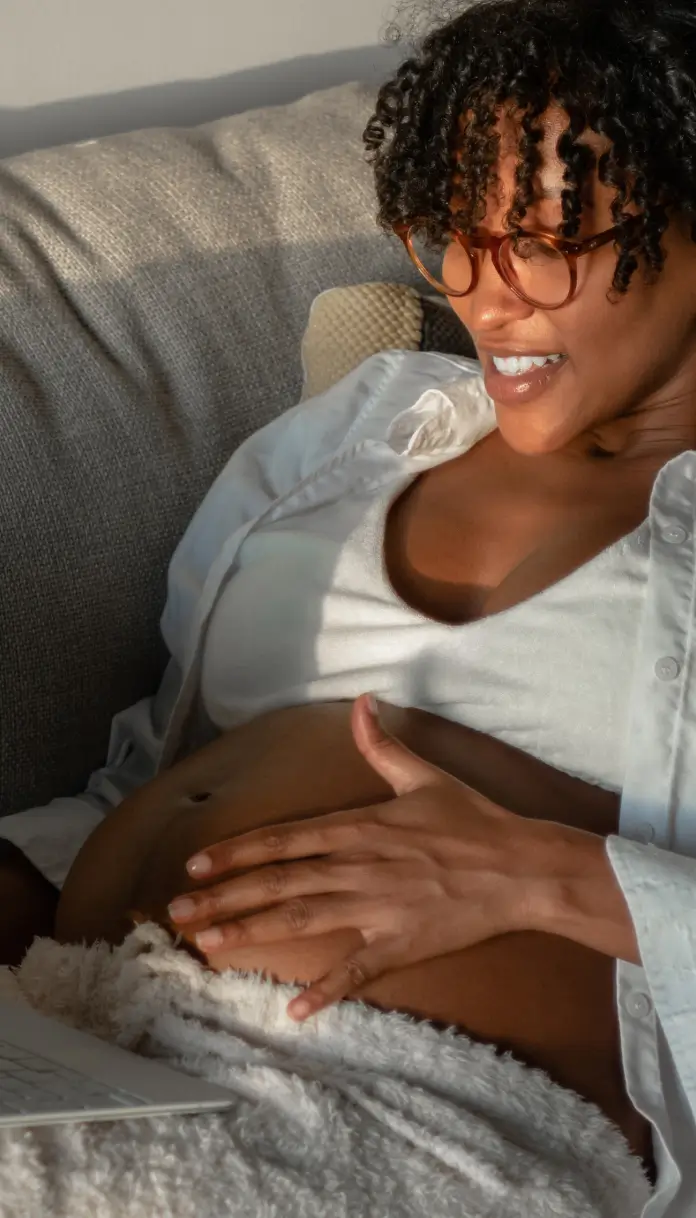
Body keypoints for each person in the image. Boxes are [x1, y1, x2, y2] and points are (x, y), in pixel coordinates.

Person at [3, 0, 696, 1209]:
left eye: (541, 235)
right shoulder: (362, 430)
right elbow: (147, 776)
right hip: (87, 1035)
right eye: (448, 232)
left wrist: (545, 880)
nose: (485, 295)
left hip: (423, 1121)